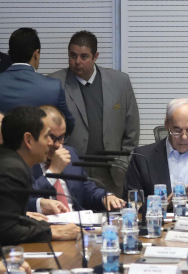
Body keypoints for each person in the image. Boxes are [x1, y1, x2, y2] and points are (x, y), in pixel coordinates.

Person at [49, 31, 140, 194]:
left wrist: (124, 162)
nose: (77, 62)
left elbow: (131, 129)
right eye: (73, 55)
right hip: (71, 170)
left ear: (95, 56)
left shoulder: (120, 82)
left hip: (111, 172)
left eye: (84, 56)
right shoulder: (55, 83)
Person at [0, 106, 80, 247]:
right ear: (28, 140)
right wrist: (51, 232)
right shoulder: (10, 171)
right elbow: (7, 232)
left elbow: (12, 219)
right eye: (46, 136)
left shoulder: (6, 160)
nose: (51, 143)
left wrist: (44, 226)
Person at [0, 27, 75, 134]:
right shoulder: (53, 87)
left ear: (9, 53)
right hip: (40, 150)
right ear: (36, 54)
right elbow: (68, 125)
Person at [31, 106, 125, 213]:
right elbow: (22, 200)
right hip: (46, 225)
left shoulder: (71, 154)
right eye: (51, 137)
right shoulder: (25, 160)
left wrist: (106, 197)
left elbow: (87, 190)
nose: (57, 145)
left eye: (61, 137)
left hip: (78, 222)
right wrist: (52, 171)